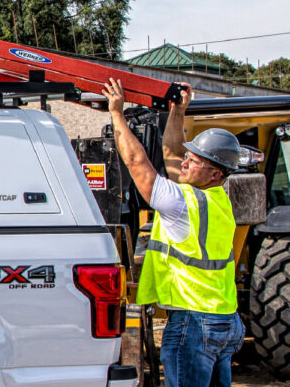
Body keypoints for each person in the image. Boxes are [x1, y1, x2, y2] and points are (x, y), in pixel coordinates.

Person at [101, 78, 245, 387]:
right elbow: (174, 155)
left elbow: (136, 161)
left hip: (195, 322)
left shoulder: (183, 204)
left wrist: (117, 114)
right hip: (224, 319)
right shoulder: (217, 198)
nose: (186, 162)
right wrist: (178, 111)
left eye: (195, 160)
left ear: (214, 172)